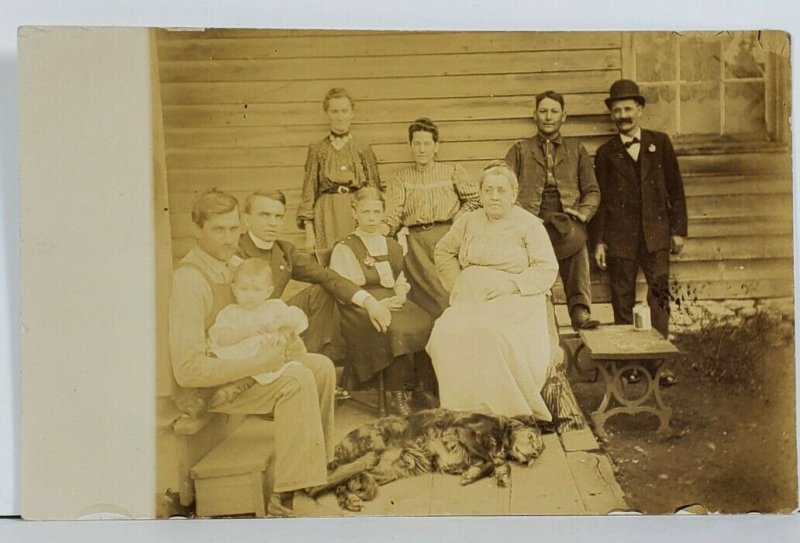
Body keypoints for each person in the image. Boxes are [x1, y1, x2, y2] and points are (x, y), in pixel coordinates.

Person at [168, 189, 335, 517]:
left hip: (247, 365)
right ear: (196, 230)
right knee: (296, 380)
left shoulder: (232, 264)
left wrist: (285, 337)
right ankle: (284, 495)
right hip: (209, 389)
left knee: (320, 367)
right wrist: (259, 361)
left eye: (233, 229)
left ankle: (317, 469)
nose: (229, 238)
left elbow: (262, 308)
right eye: (219, 230)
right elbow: (187, 371)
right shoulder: (189, 281)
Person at [426, 160, 560, 419]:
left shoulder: (529, 225)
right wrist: (458, 284)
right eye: (488, 190)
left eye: (501, 190)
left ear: (513, 194)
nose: (494, 196)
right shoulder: (467, 222)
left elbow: (546, 268)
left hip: (516, 298)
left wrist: (511, 285)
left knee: (488, 332)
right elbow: (444, 251)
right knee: (444, 332)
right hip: (471, 299)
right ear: (480, 192)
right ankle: (462, 409)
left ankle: (503, 410)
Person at [238, 189, 393, 397]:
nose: (272, 222)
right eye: (264, 215)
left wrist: (369, 302)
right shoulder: (234, 249)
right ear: (247, 220)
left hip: (274, 316)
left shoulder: (284, 250)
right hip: (240, 323)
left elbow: (327, 276)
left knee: (323, 289)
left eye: (278, 216)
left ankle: (312, 368)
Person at [591, 79, 688, 385]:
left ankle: (661, 365)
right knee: (622, 298)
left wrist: (678, 230)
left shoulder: (660, 143)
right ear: (612, 115)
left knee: (658, 297)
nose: (623, 115)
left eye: (628, 109)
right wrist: (600, 242)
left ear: (640, 110)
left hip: (656, 235)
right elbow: (600, 199)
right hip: (620, 239)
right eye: (617, 110)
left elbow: (676, 190)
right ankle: (630, 364)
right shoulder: (605, 153)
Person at [329, 188, 436, 416]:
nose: (371, 217)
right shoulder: (346, 247)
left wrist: (400, 294)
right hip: (359, 308)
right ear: (354, 212)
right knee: (394, 327)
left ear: (383, 214)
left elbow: (399, 278)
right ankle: (396, 393)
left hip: (391, 300)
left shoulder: (390, 244)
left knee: (427, 321)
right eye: (365, 212)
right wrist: (374, 303)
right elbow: (343, 289)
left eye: (376, 212)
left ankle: (420, 386)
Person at [505, 90, 601, 330]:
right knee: (529, 267)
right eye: (543, 111)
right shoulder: (519, 149)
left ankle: (580, 312)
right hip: (531, 222)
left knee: (577, 245)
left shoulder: (577, 149)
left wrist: (583, 213)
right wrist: (522, 217)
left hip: (566, 220)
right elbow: (504, 187)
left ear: (564, 116)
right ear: (534, 115)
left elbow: (592, 191)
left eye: (554, 111)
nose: (548, 117)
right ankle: (544, 321)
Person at [381, 117, 481, 319]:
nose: (421, 149)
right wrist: (377, 230)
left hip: (448, 239)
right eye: (416, 143)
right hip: (417, 245)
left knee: (448, 292)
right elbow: (393, 215)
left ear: (436, 146)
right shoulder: (400, 178)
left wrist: (456, 221)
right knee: (421, 298)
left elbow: (475, 200)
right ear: (410, 146)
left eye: (427, 143)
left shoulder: (452, 172)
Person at [206, 258, 310, 408]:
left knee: (269, 368)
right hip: (240, 361)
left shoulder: (274, 308)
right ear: (234, 289)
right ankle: (215, 393)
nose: (250, 295)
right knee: (233, 367)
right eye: (244, 289)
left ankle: (239, 387)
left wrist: (278, 323)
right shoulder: (231, 312)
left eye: (257, 290)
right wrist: (246, 332)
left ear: (268, 292)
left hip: (268, 360)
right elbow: (220, 338)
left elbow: (299, 320)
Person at [297, 87, 382, 252]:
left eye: (344, 111)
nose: (340, 117)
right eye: (335, 111)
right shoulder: (318, 149)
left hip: (357, 212)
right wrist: (309, 233)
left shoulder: (362, 148)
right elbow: (309, 191)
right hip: (327, 213)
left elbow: (374, 189)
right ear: (327, 113)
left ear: (352, 113)